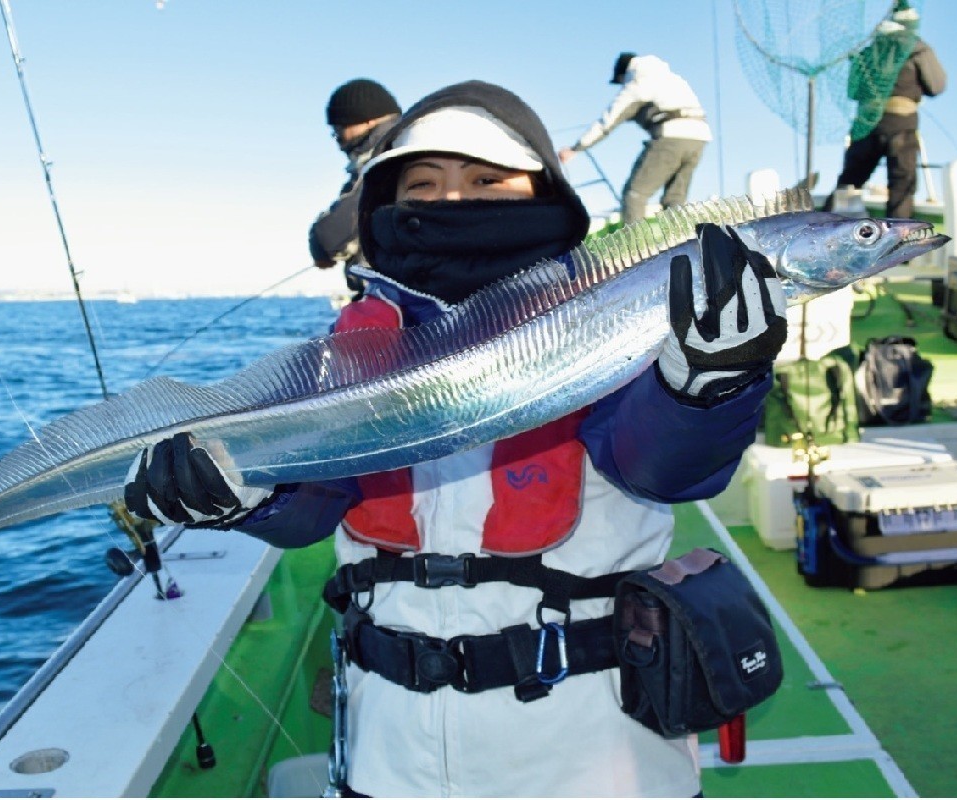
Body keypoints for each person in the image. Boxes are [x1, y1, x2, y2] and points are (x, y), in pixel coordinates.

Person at [124, 80, 786, 796]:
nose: (452, 201)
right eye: (425, 183)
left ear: (543, 191)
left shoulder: (615, 314)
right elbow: (313, 502)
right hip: (389, 752)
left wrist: (707, 385)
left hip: (588, 755)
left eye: (485, 179)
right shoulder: (357, 346)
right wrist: (239, 492)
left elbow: (660, 462)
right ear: (389, 203)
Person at [825, 1, 946, 219]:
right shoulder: (918, 49)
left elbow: (853, 92)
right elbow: (937, 86)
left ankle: (820, 232)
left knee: (849, 182)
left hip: (867, 126)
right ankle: (898, 247)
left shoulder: (869, 50)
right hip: (901, 124)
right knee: (902, 186)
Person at [559, 53, 712, 224]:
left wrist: (575, 148)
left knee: (634, 195)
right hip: (700, 137)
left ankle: (639, 250)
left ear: (623, 74)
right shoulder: (671, 78)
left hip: (671, 137)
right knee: (674, 199)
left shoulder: (637, 83)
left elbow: (606, 122)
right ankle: (686, 246)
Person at [309, 78, 402, 299]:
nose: (338, 139)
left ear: (367, 121)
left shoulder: (378, 159)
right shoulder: (408, 147)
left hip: (390, 304)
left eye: (339, 128)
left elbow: (331, 236)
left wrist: (321, 250)